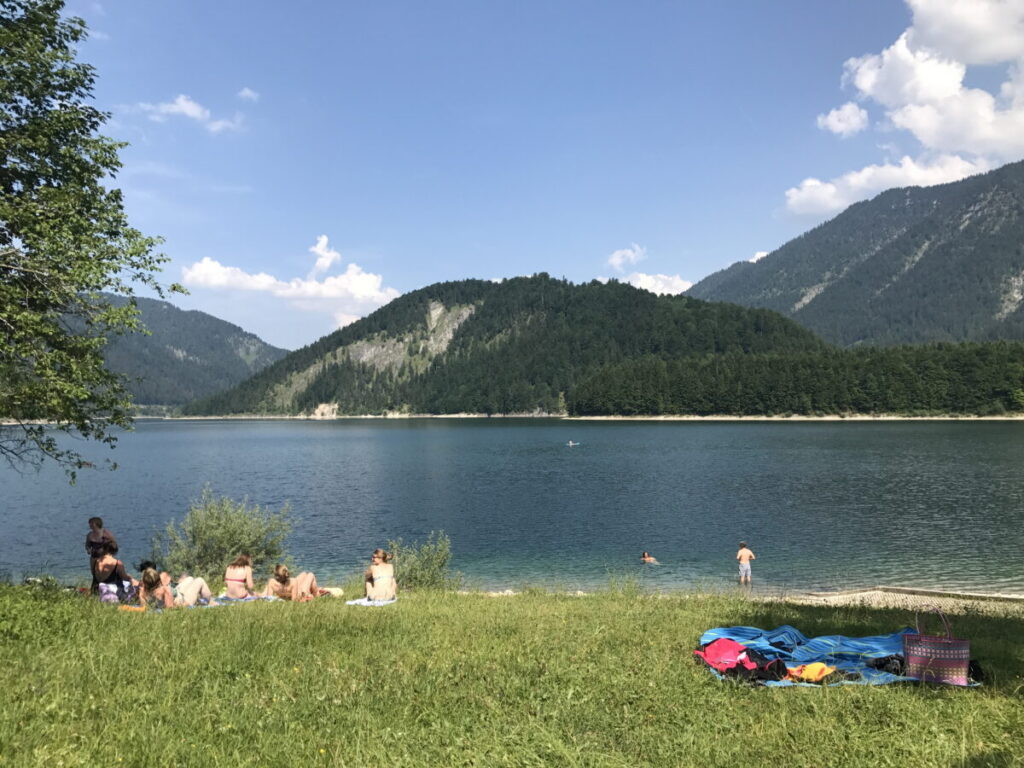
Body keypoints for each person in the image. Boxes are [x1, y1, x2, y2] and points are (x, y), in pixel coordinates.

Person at [85, 517, 118, 593]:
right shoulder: (89, 535)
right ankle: (95, 590)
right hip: (94, 557)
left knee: (105, 573)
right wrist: (88, 550)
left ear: (96, 524)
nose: (89, 525)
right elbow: (87, 545)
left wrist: (109, 551)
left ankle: (107, 588)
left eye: (91, 523)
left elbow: (114, 544)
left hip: (104, 557)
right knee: (94, 574)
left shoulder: (105, 533)